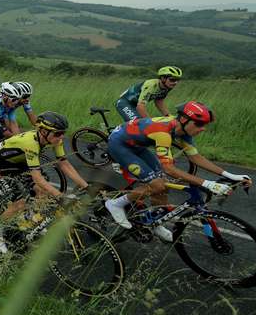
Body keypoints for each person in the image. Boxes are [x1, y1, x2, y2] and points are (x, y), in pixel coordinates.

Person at [102, 101, 245, 242]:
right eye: (199, 124)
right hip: (119, 145)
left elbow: (196, 157)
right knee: (158, 184)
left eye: (204, 125)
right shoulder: (164, 132)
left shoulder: (183, 130)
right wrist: (208, 184)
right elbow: (169, 169)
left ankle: (156, 223)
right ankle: (115, 204)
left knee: (163, 187)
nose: (202, 129)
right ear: (184, 119)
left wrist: (230, 175)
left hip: (136, 145)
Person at [0, 112, 90, 253]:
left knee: (42, 192)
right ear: (44, 132)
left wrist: (87, 186)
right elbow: (38, 178)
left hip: (18, 162)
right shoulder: (31, 143)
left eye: (63, 133)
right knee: (19, 203)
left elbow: (65, 164)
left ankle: (29, 220)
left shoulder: (54, 140)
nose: (61, 137)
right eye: (58, 133)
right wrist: (60, 196)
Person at [116, 66, 182, 122]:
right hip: (124, 102)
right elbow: (140, 106)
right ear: (163, 78)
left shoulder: (167, 87)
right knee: (138, 124)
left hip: (135, 105)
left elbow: (159, 102)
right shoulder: (151, 85)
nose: (175, 83)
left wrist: (169, 116)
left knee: (144, 125)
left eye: (177, 80)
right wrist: (149, 122)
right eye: (172, 80)